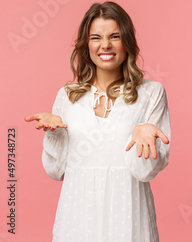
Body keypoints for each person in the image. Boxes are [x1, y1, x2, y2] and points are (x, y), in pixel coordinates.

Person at [24, 1, 171, 241]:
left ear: (127, 41)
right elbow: (57, 171)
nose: (105, 45)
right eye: (96, 37)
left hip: (129, 213)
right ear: (86, 44)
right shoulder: (67, 95)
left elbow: (144, 173)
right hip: (77, 215)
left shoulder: (151, 93)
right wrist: (54, 133)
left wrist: (145, 140)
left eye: (115, 36)